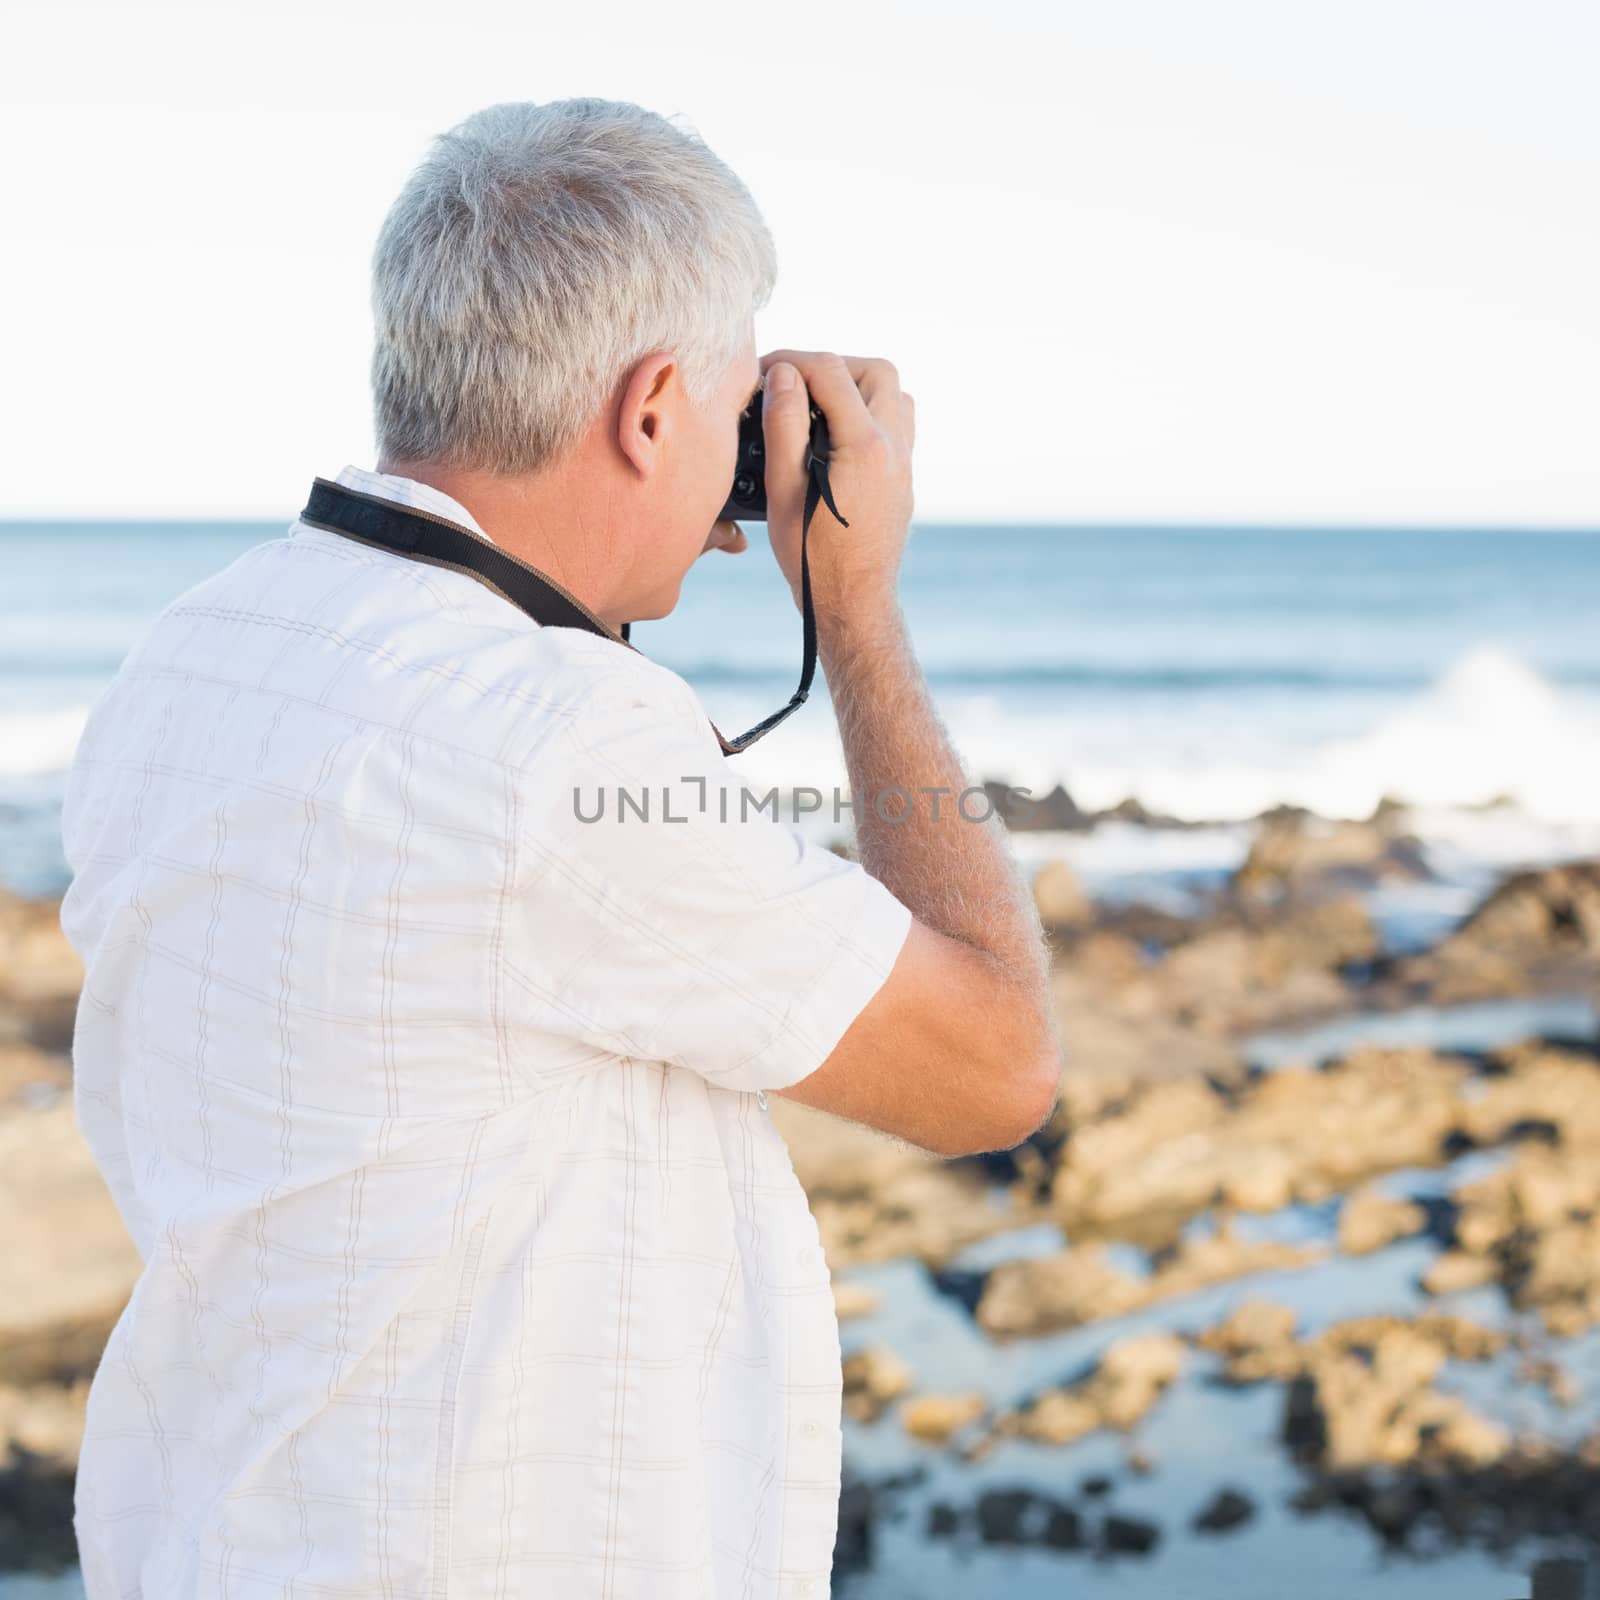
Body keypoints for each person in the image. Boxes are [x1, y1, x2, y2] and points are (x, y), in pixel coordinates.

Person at [58, 97, 1059, 1599]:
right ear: (655, 410)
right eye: (731, 409)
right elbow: (996, 1066)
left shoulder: (201, 652)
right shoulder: (548, 738)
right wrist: (852, 611)